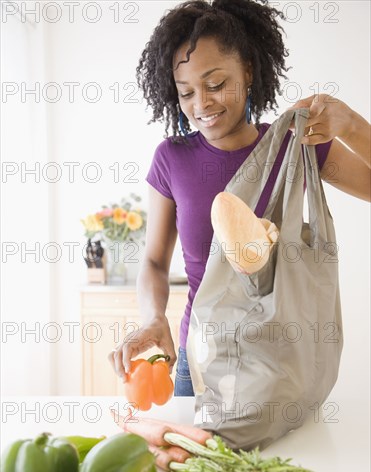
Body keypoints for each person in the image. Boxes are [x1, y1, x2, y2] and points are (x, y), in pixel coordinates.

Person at [108, 0, 370, 396]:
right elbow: (154, 261)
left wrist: (349, 124)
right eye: (186, 93)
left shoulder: (293, 147)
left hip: (285, 368)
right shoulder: (172, 159)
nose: (202, 104)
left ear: (248, 71)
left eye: (215, 84)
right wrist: (152, 318)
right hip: (200, 366)